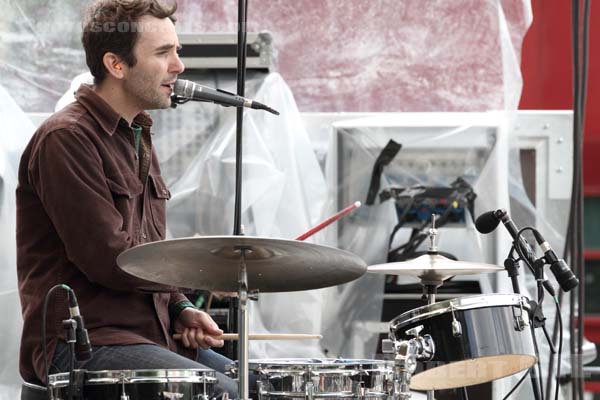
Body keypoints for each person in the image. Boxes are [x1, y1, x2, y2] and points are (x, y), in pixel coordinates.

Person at [16, 0, 237, 397]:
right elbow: (111, 259)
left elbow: (147, 249)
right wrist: (205, 269)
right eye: (163, 53)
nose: (179, 66)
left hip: (149, 335)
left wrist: (180, 308)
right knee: (221, 391)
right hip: (86, 344)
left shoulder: (136, 133)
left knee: (253, 381)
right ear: (117, 65)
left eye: (177, 51)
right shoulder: (67, 138)